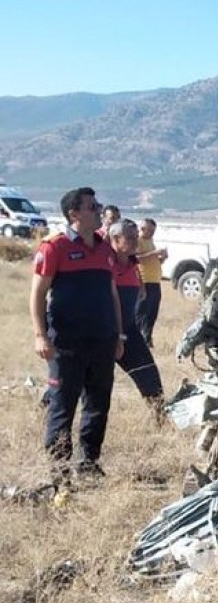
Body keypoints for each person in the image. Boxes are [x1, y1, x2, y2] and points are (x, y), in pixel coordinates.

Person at [30, 187, 124, 479]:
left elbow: (112, 294)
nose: (98, 210)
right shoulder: (53, 247)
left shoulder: (104, 247)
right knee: (62, 407)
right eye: (92, 206)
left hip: (102, 341)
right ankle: (59, 474)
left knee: (98, 405)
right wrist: (40, 335)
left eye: (97, 205)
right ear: (74, 213)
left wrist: (119, 335)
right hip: (66, 344)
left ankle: (89, 464)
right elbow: (37, 293)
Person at [107, 221, 166, 419]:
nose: (136, 242)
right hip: (104, 332)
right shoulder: (104, 263)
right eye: (130, 238)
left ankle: (161, 418)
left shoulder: (133, 264)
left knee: (148, 374)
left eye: (136, 237)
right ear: (115, 239)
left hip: (129, 331)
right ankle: (47, 404)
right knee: (78, 381)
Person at [135, 217, 168, 348]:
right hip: (144, 281)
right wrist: (155, 253)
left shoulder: (150, 241)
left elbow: (151, 259)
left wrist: (161, 259)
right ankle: (138, 340)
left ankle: (147, 339)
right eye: (149, 230)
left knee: (152, 313)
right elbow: (136, 258)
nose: (151, 233)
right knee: (141, 313)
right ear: (142, 229)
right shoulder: (137, 241)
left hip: (154, 281)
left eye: (153, 231)